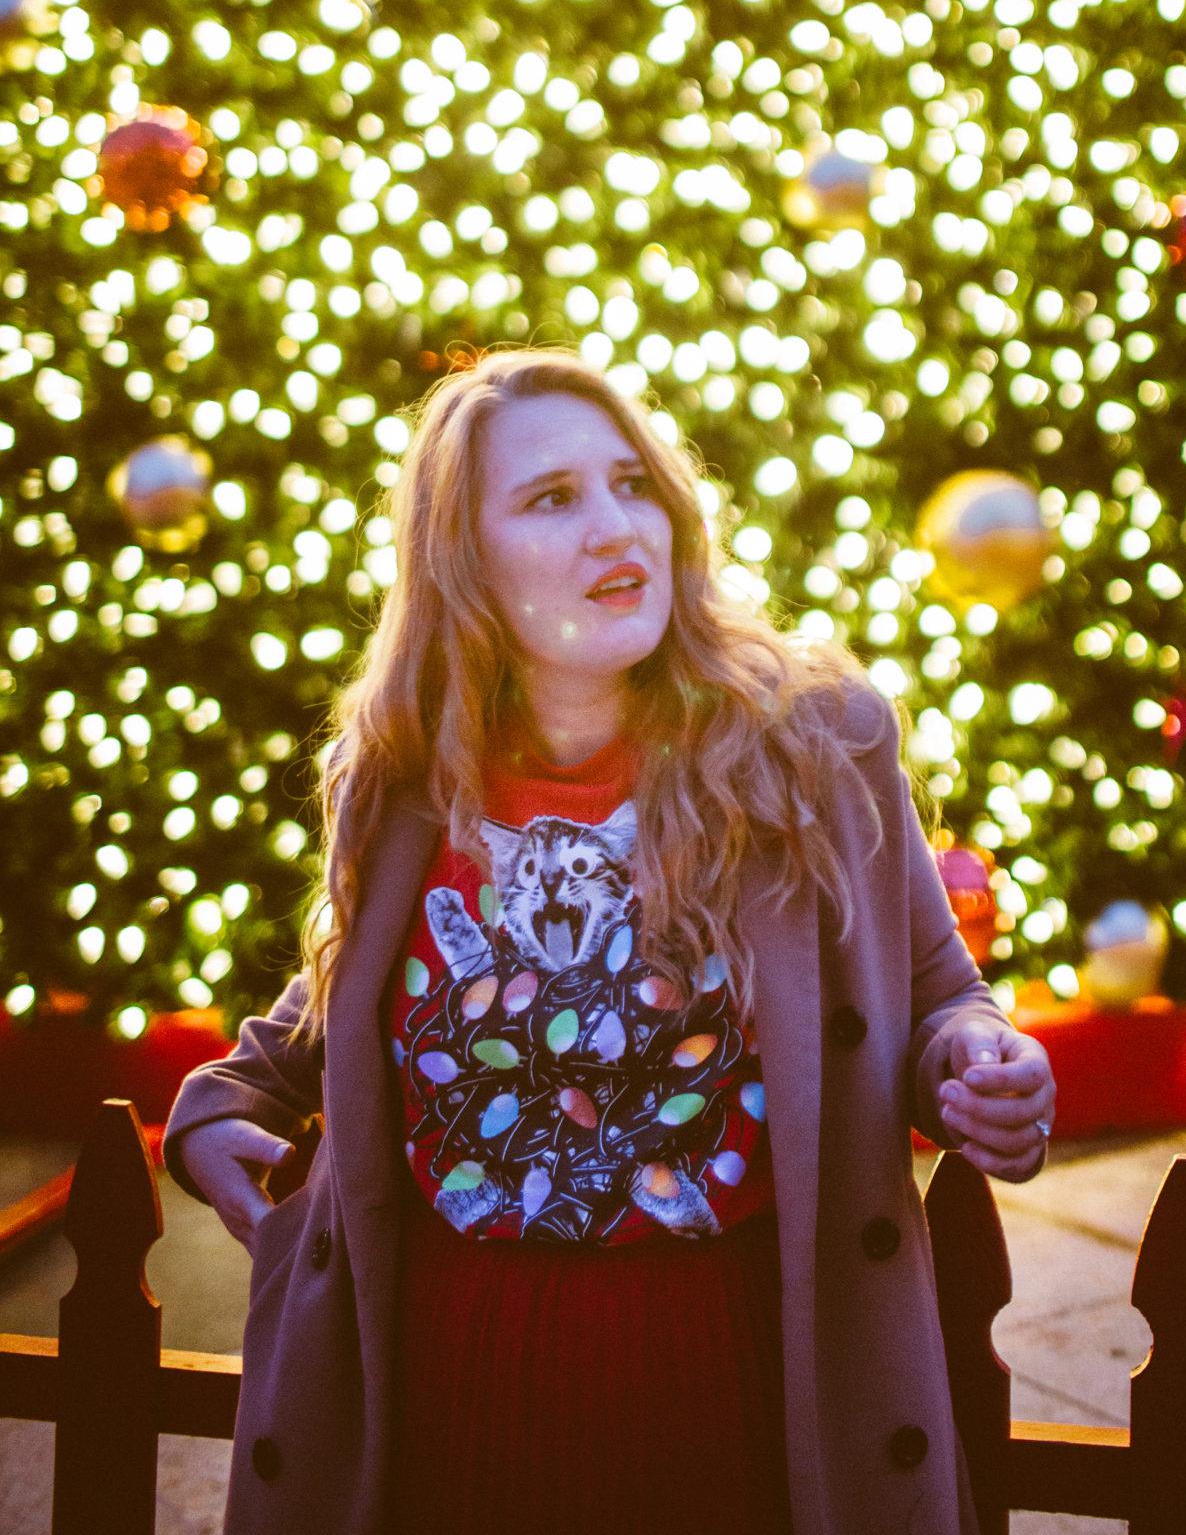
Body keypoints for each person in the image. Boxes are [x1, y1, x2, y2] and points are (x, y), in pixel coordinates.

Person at [165, 344, 1057, 1535]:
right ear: (462, 559)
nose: (615, 526)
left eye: (633, 483)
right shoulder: (399, 773)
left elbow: (944, 989)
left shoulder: (816, 746)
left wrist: (981, 1060)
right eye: (551, 499)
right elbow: (356, 995)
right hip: (449, 1384)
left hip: (734, 1377)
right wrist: (224, 1101)